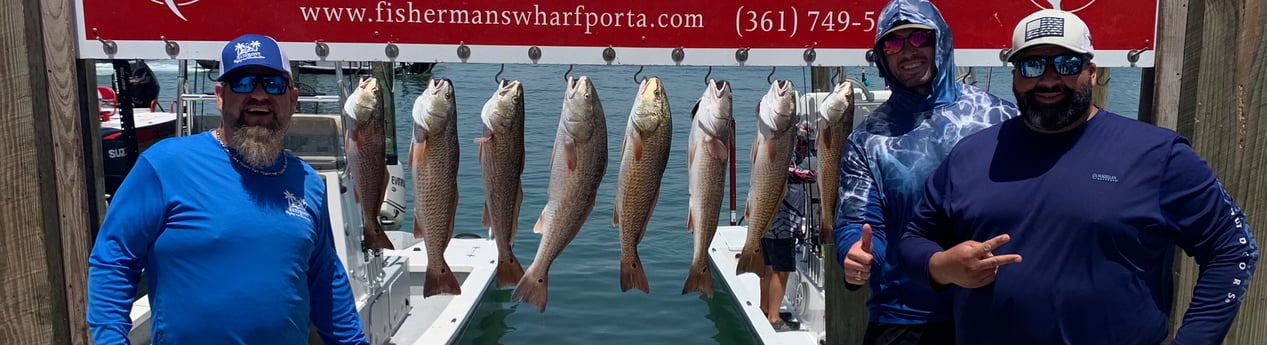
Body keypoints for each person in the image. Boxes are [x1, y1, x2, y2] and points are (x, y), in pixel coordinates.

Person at [899, 9, 1259, 345]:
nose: (1049, 78)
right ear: (1014, 75)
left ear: (1092, 70)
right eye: (1033, 64)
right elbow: (915, 239)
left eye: (1067, 63)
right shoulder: (971, 154)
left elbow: (1234, 248)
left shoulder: (1159, 155)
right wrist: (941, 266)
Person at [86, 34, 370, 345]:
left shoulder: (308, 182)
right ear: (220, 95)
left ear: (292, 98)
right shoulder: (165, 164)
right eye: (245, 82)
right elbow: (114, 260)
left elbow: (325, 278)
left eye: (273, 84)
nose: (259, 95)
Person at [831, 0, 1020, 343]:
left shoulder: (1000, 117)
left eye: (919, 38)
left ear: (941, 42)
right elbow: (855, 220)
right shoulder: (867, 139)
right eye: (893, 43)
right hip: (905, 318)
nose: (907, 51)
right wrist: (852, 252)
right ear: (881, 56)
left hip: (994, 307)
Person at [761, 126, 816, 332]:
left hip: (767, 222)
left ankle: (766, 308)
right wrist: (819, 174)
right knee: (781, 271)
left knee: (769, 267)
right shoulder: (781, 161)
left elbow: (801, 149)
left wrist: (803, 132)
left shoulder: (769, 149)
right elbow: (800, 174)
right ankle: (774, 317)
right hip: (782, 225)